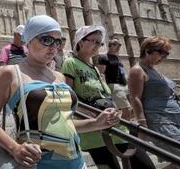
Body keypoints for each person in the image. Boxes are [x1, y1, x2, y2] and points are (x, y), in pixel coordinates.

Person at [0, 15, 121, 168]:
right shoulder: (10, 73)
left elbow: (64, 122)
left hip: (76, 162)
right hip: (39, 162)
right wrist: (15, 148)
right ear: (29, 39)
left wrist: (96, 123)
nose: (53, 47)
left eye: (57, 41)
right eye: (46, 39)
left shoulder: (59, 76)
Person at [61, 25, 155, 169]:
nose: (97, 46)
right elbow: (68, 96)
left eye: (100, 43)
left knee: (144, 164)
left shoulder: (95, 69)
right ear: (80, 42)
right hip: (93, 131)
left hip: (115, 125)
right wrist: (93, 117)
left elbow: (105, 95)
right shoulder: (71, 63)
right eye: (94, 41)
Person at [128, 36, 180, 168]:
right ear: (148, 50)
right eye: (162, 53)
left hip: (176, 121)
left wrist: (175, 95)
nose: (164, 57)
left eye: (167, 54)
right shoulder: (137, 70)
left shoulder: (153, 69)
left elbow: (156, 92)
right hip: (161, 122)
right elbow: (135, 97)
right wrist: (142, 125)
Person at [97, 38, 132, 120]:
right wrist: (104, 89)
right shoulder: (104, 58)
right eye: (116, 44)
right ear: (110, 46)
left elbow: (122, 72)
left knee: (130, 109)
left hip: (124, 86)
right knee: (126, 109)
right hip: (114, 85)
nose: (119, 46)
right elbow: (100, 74)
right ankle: (125, 129)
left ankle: (125, 127)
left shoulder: (118, 59)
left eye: (120, 45)